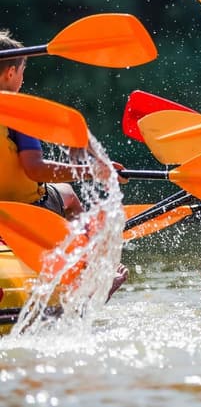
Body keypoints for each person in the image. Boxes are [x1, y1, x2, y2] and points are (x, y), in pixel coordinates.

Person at [0, 29, 128, 295]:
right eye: (22, 72)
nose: (23, 79)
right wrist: (94, 171)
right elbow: (35, 170)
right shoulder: (19, 112)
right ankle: (94, 277)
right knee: (69, 196)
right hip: (21, 207)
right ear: (10, 73)